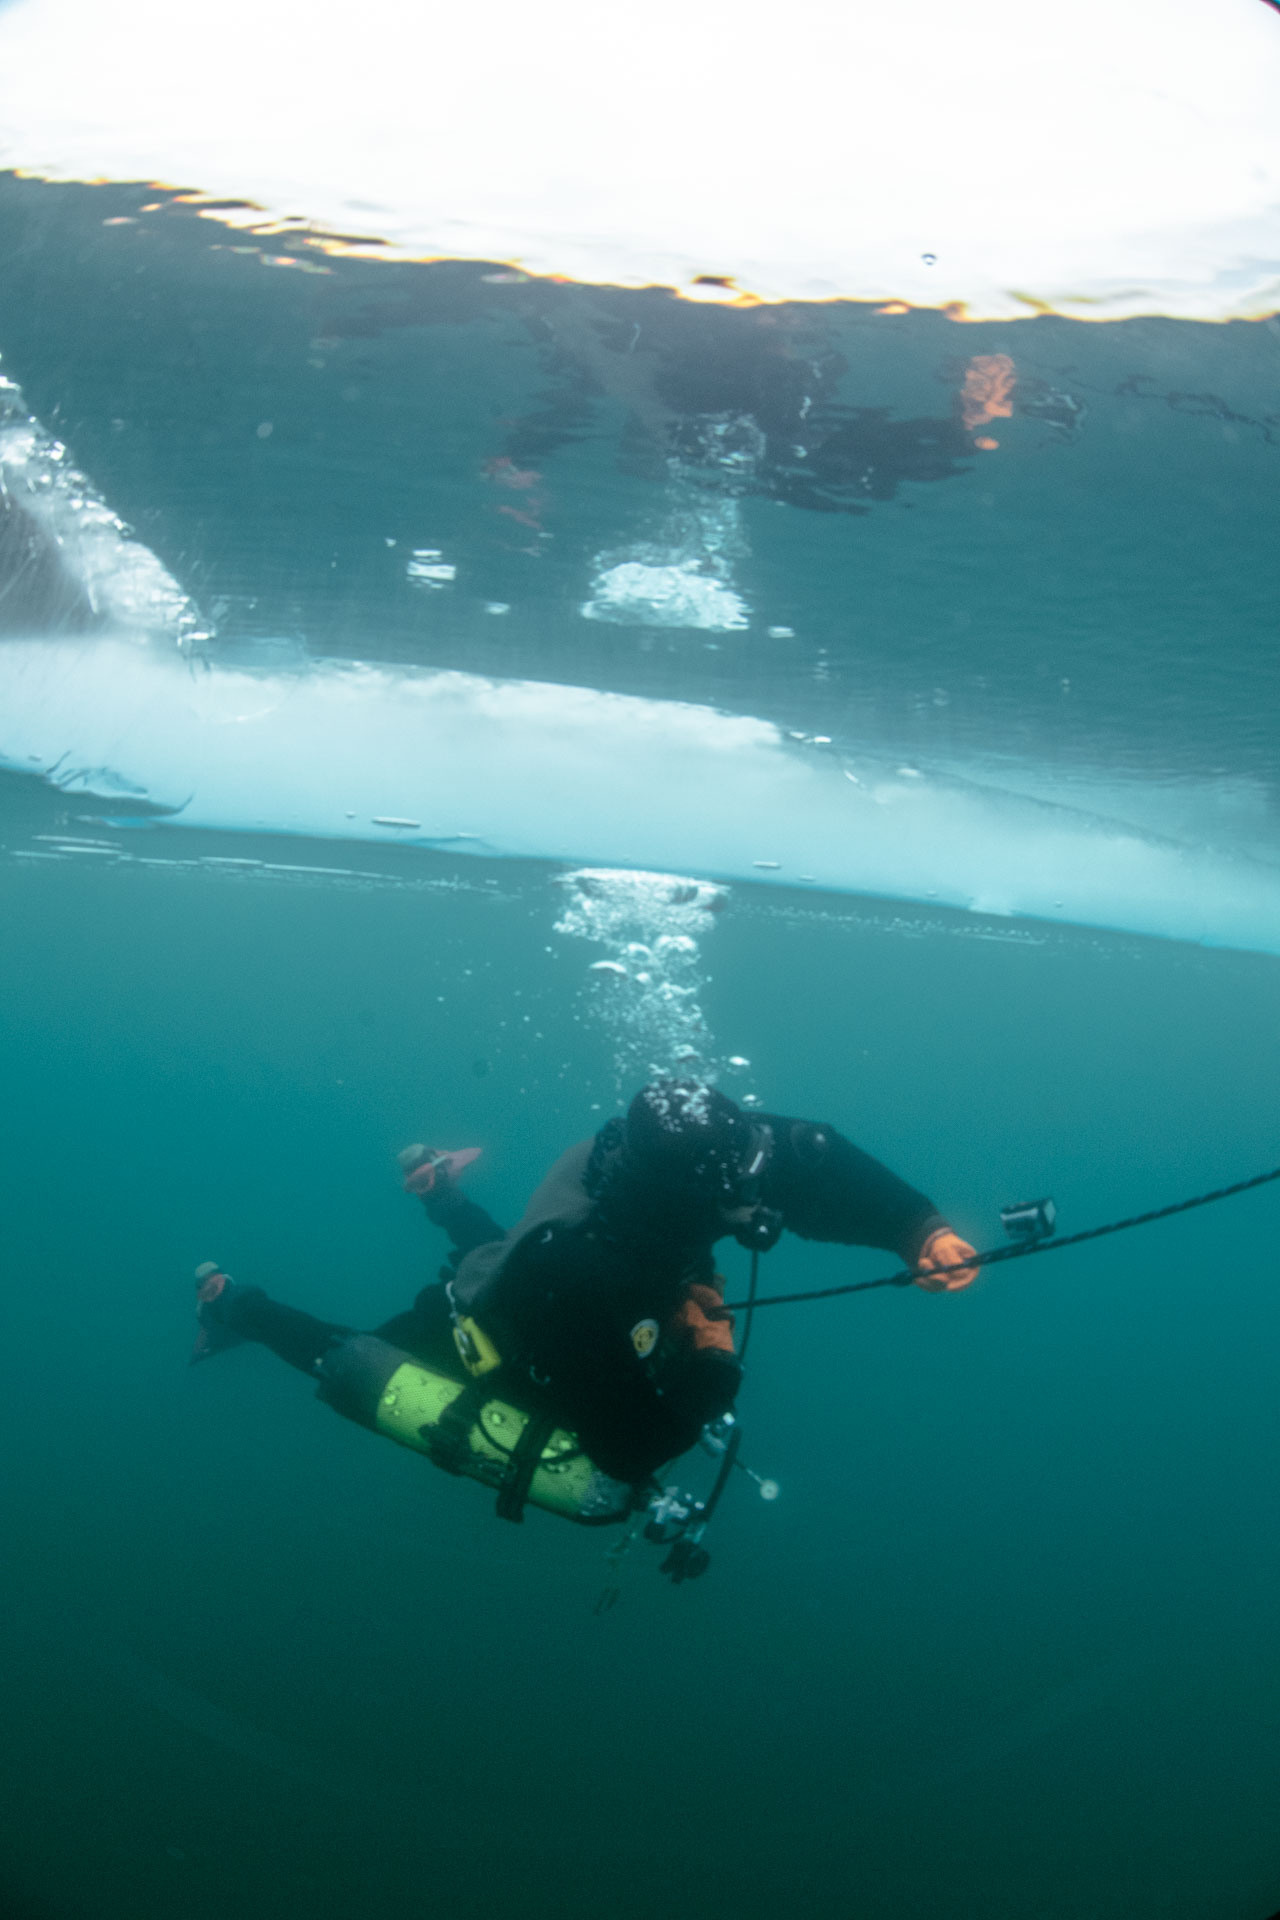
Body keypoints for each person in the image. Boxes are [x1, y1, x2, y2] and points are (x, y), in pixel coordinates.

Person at [193, 1081, 977, 1503]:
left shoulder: (655, 1150)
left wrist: (916, 1229)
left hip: (539, 1268)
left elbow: (812, 1161)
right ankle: (231, 1305)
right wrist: (713, 1358)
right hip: (506, 1336)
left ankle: (439, 1191)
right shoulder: (579, 1282)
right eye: (737, 1193)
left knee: (500, 1252)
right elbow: (628, 1450)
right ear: (680, 1201)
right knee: (344, 1356)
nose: (756, 1201)